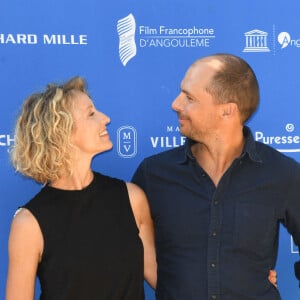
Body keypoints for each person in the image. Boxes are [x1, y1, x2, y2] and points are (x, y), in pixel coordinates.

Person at [132, 53, 300, 299]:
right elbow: (120, 250)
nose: (175, 104)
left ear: (227, 111)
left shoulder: (281, 173)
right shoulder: (154, 173)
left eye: (189, 98)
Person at [6, 76, 156, 300]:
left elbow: (162, 278)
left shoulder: (132, 198)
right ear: (62, 131)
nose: (106, 118)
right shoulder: (29, 223)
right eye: (91, 114)